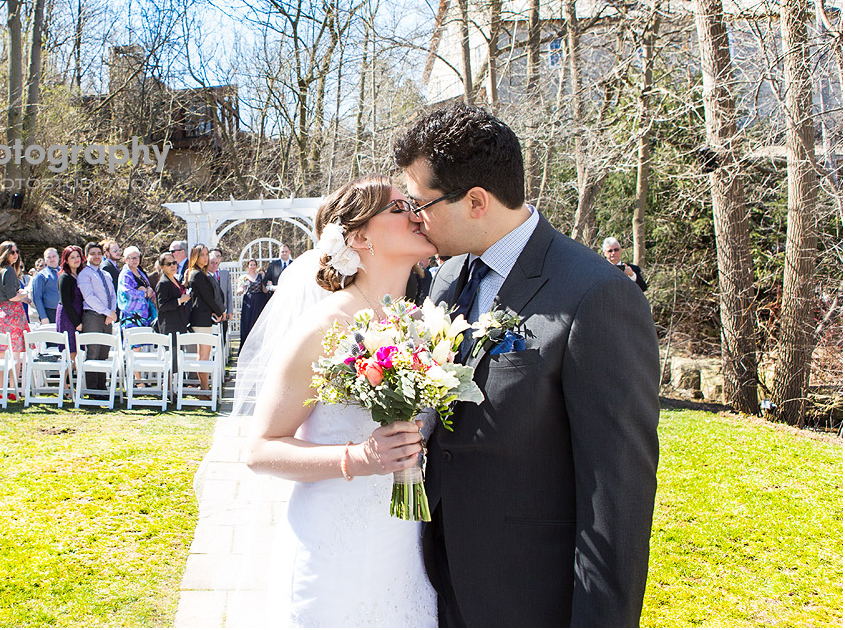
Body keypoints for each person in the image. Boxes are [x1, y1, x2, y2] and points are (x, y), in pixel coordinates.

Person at [394, 103, 659, 627]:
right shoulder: (447, 280)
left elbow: (617, 498)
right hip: (440, 582)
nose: (412, 217)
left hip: (530, 595)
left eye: (419, 203)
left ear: (475, 201)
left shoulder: (596, 296)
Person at [240, 176, 440, 627]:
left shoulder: (420, 323)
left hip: (402, 544)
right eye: (397, 208)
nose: (416, 213)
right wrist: (361, 456)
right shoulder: (324, 327)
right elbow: (259, 450)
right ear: (358, 237)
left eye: (413, 204)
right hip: (335, 543)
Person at [0, 241, 30, 401]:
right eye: (12, 252)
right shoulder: (10, 271)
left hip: (0, 313)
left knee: (1, 354)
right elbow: (13, 296)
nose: (15, 255)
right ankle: (13, 389)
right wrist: (25, 295)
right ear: (4, 253)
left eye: (17, 251)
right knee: (15, 354)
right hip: (12, 314)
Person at [79, 241, 118, 390]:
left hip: (107, 318)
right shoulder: (85, 274)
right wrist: (107, 311)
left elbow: (112, 295)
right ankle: (93, 389)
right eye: (93, 254)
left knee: (104, 353)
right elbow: (89, 298)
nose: (96, 256)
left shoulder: (106, 274)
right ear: (86, 256)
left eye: (99, 254)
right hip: (93, 317)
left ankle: (102, 387)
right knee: (93, 353)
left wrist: (111, 312)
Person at [185, 244, 222, 394]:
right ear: (195, 256)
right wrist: (220, 311)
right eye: (202, 255)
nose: (206, 258)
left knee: (203, 354)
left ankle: (204, 387)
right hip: (201, 317)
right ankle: (205, 389)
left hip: (202, 317)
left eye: (207, 254)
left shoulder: (199, 273)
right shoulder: (197, 274)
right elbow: (208, 296)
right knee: (204, 354)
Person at [55, 245, 85, 369]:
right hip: (68, 317)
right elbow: (66, 303)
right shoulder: (64, 277)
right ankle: (66, 383)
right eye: (72, 257)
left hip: (79, 313)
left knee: (77, 350)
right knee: (70, 351)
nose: (76, 259)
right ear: (66, 260)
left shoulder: (80, 275)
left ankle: (72, 381)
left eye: (78, 256)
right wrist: (77, 322)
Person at [155, 252, 191, 341]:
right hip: (170, 326)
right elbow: (162, 306)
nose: (172, 266)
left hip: (180, 323)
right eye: (168, 264)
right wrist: (179, 300)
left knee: (180, 353)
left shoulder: (175, 279)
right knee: (173, 354)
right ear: (162, 266)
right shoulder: (163, 283)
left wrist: (185, 285)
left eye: (174, 263)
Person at [117, 246, 156, 327]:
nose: (134, 260)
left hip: (145, 315)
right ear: (125, 259)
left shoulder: (140, 272)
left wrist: (150, 291)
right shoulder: (125, 274)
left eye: (137, 258)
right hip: (131, 316)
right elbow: (127, 292)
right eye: (131, 258)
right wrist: (143, 294)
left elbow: (148, 287)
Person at [237, 258, 269, 354]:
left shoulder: (260, 276)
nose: (253, 266)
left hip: (260, 301)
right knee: (248, 323)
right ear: (248, 266)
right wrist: (242, 288)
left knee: (258, 323)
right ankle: (246, 348)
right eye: (251, 265)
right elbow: (239, 291)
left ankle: (259, 348)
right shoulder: (243, 277)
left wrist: (269, 285)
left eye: (254, 264)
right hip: (249, 301)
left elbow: (265, 290)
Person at [208, 247, 233, 347]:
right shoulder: (206, 274)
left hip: (224, 310)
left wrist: (230, 310)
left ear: (221, 258)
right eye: (213, 256)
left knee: (222, 337)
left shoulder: (225, 273)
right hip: (211, 312)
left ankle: (221, 360)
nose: (216, 259)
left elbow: (229, 292)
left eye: (218, 256)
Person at [32, 248, 62, 325]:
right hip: (50, 312)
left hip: (65, 311)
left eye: (54, 256)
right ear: (45, 259)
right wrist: (43, 317)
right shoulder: (41, 276)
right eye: (49, 257)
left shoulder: (64, 272)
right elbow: (37, 297)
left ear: (58, 257)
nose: (52, 259)